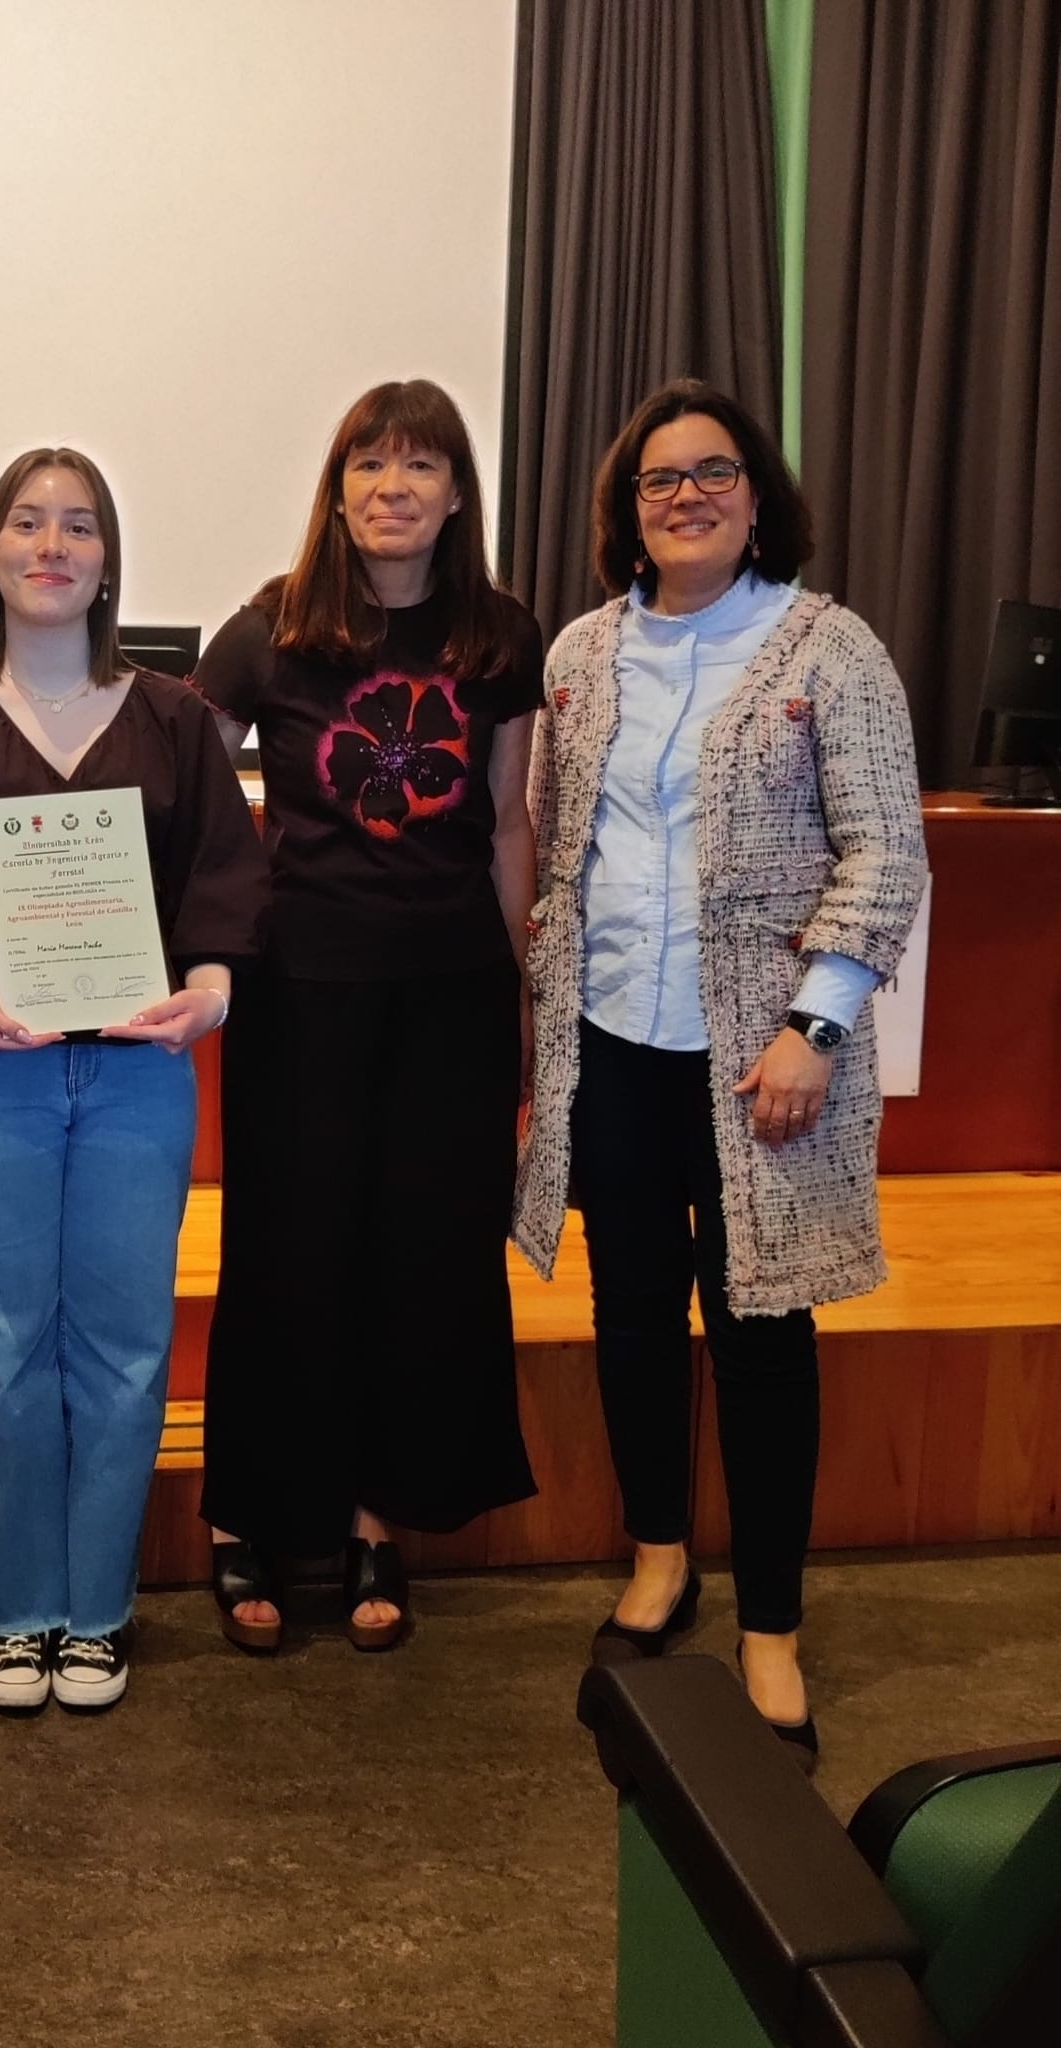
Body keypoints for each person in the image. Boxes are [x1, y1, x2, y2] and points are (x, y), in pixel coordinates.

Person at [513, 378, 927, 1768]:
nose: (684, 497)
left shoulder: (829, 646)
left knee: (761, 1332)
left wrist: (814, 1025)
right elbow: (550, 840)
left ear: (757, 498)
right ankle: (657, 1552)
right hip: (614, 1041)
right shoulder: (580, 653)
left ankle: (771, 1623)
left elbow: (885, 853)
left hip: (763, 1061)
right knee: (633, 1310)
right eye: (657, 481)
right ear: (626, 512)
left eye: (713, 474)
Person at [0, 448, 268, 1714]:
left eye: (78, 525)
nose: (52, 543)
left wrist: (208, 992)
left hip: (140, 1075)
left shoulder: (174, 722)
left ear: (105, 561)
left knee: (126, 1345)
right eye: (27, 522)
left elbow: (219, 892)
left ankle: (93, 1608)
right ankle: (12, 1604)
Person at [194, 381, 542, 1656]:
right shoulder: (269, 630)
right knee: (288, 1255)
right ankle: (244, 1522)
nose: (393, 486)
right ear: (336, 488)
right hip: (299, 994)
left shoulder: (501, 635)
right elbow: (178, 779)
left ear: (456, 493)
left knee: (418, 1260)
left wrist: (521, 991)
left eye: (420, 464)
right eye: (369, 464)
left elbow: (506, 822)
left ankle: (368, 1517)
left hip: (449, 992)